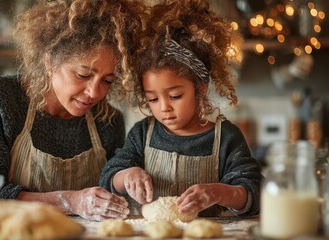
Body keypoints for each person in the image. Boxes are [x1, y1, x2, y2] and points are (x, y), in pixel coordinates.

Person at [0, 0, 147, 221]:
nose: (94, 92)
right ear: (50, 61)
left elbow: (111, 194)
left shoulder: (106, 119)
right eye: (83, 75)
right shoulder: (0, 98)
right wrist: (70, 201)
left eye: (107, 80)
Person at [100, 0, 263, 217]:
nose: (164, 108)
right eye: (153, 99)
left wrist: (219, 192)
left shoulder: (225, 137)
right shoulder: (142, 134)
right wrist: (127, 175)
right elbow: (109, 177)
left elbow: (255, 192)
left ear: (200, 88)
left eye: (175, 96)